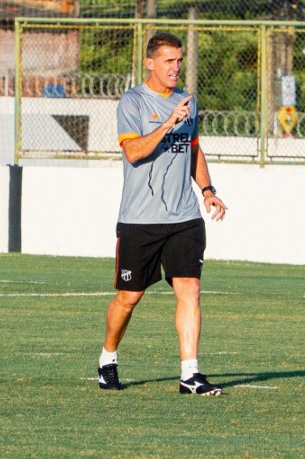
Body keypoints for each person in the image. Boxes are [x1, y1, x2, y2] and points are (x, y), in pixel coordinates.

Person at [97, 32, 228, 396]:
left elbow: (194, 150)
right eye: (169, 61)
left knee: (190, 290)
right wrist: (168, 123)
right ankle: (108, 358)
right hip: (141, 219)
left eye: (179, 60)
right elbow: (134, 152)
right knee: (129, 296)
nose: (176, 67)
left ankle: (190, 374)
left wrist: (207, 190)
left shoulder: (189, 101)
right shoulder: (133, 102)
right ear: (150, 63)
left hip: (184, 218)